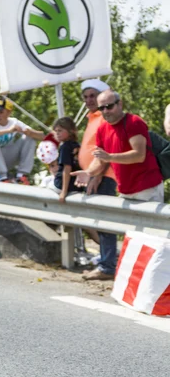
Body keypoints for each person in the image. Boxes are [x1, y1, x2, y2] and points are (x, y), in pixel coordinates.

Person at [72, 90, 165, 277]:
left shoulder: (133, 122)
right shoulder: (102, 129)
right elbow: (100, 160)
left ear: (119, 104)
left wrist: (110, 156)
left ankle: (157, 279)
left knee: (153, 238)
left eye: (110, 106)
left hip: (147, 188)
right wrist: (89, 172)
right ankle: (136, 278)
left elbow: (138, 154)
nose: (106, 111)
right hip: (126, 191)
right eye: (102, 108)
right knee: (132, 237)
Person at [75, 79, 116, 280]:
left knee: (103, 222)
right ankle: (107, 261)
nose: (89, 100)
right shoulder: (93, 117)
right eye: (86, 97)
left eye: (93, 95)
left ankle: (107, 266)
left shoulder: (103, 117)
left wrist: (96, 175)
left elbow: (106, 150)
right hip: (94, 176)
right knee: (98, 222)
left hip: (103, 177)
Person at [0, 96, 45, 184]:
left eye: (1, 112)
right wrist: (8, 130)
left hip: (5, 161)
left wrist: (30, 132)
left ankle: (21, 175)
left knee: (30, 138)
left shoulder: (14, 122)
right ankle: (2, 177)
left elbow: (42, 136)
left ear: (9, 112)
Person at [49, 117, 82, 203]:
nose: (57, 134)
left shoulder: (65, 147)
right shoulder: (77, 145)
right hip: (75, 185)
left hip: (61, 185)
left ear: (70, 131)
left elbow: (67, 169)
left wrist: (64, 191)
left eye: (60, 131)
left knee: (47, 186)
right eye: (56, 131)